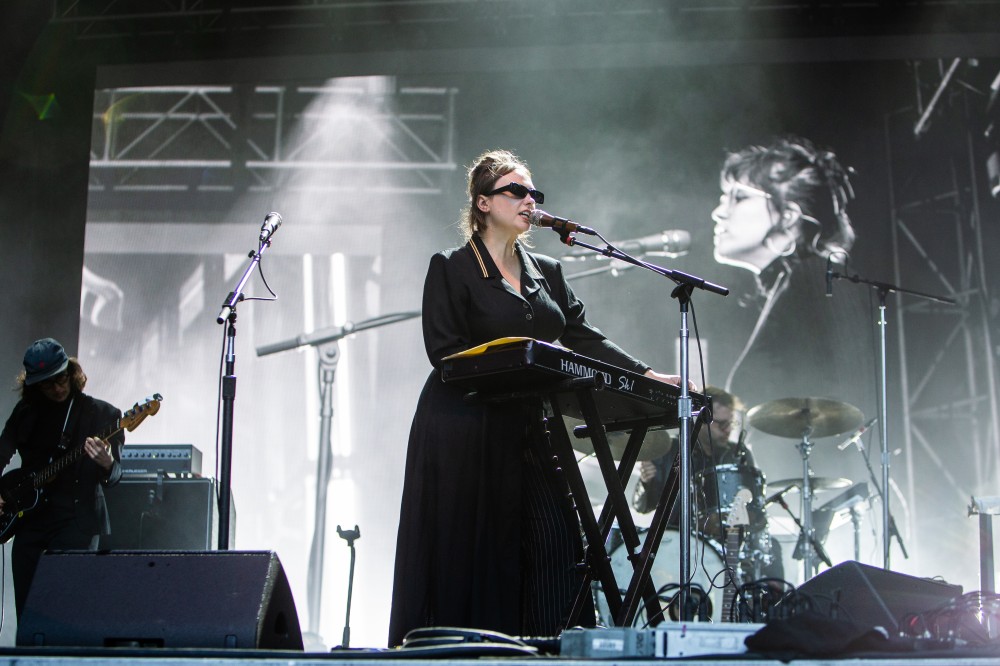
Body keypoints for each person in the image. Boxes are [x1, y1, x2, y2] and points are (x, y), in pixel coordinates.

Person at [388, 149, 685, 646]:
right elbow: (444, 352)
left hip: (529, 420)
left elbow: (583, 336)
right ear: (483, 202)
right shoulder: (452, 267)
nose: (530, 200)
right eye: (516, 190)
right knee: (472, 543)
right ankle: (465, 648)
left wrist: (647, 374)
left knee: (555, 539)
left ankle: (547, 649)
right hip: (464, 423)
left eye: (534, 193)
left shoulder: (546, 267)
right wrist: (510, 362)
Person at [710, 136, 874, 414]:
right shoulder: (794, 284)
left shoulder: (819, 276)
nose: (718, 213)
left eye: (739, 197)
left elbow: (852, 397)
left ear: (788, 216)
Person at [0, 338, 123, 617]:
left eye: (61, 379)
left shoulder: (102, 414)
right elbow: (2, 451)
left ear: (71, 373)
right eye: (47, 384)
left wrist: (107, 463)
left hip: (76, 523)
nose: (57, 388)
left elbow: (116, 476)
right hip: (30, 522)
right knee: (29, 612)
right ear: (34, 385)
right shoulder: (26, 412)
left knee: (69, 612)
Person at [632, 386, 783, 585]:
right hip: (682, 538)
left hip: (731, 536)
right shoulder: (670, 449)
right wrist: (646, 483)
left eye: (730, 423)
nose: (727, 430)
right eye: (720, 424)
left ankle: (773, 608)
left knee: (771, 547)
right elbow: (643, 507)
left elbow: (753, 504)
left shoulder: (739, 453)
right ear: (699, 420)